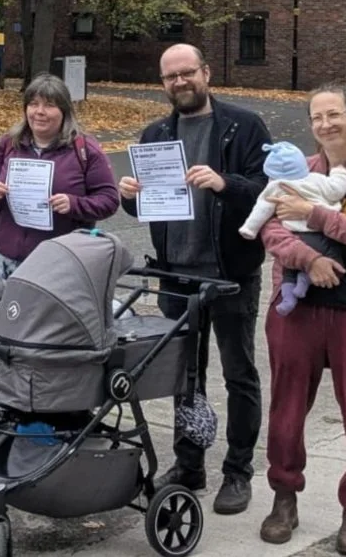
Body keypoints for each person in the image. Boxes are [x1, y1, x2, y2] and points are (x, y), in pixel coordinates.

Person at [116, 43, 272, 514]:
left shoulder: (244, 126)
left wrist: (224, 183)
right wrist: (129, 196)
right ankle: (190, 465)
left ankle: (238, 471)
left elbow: (269, 192)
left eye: (187, 73)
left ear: (206, 73)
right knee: (185, 377)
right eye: (171, 76)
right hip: (175, 277)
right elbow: (147, 207)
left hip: (229, 276)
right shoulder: (156, 133)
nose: (180, 82)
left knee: (238, 373)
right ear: (162, 83)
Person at [257, 85, 346, 555]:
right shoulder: (297, 168)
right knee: (286, 408)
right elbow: (272, 229)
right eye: (317, 117)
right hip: (296, 310)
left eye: (334, 114)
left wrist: (313, 214)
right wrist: (310, 259)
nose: (325, 125)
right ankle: (283, 497)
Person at [0, 73, 120, 278]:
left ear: (64, 111)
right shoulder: (8, 143)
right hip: (6, 258)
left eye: (49, 105)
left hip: (59, 261)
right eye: (33, 104)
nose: (39, 112)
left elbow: (109, 200)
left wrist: (74, 204)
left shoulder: (85, 149)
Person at [237, 141, 346, 316]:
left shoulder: (275, 187)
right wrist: (339, 171)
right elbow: (337, 189)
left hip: (294, 235)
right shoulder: (317, 179)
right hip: (319, 235)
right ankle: (304, 281)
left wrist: (249, 229)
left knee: (288, 270)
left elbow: (261, 210)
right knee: (336, 262)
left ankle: (288, 298)